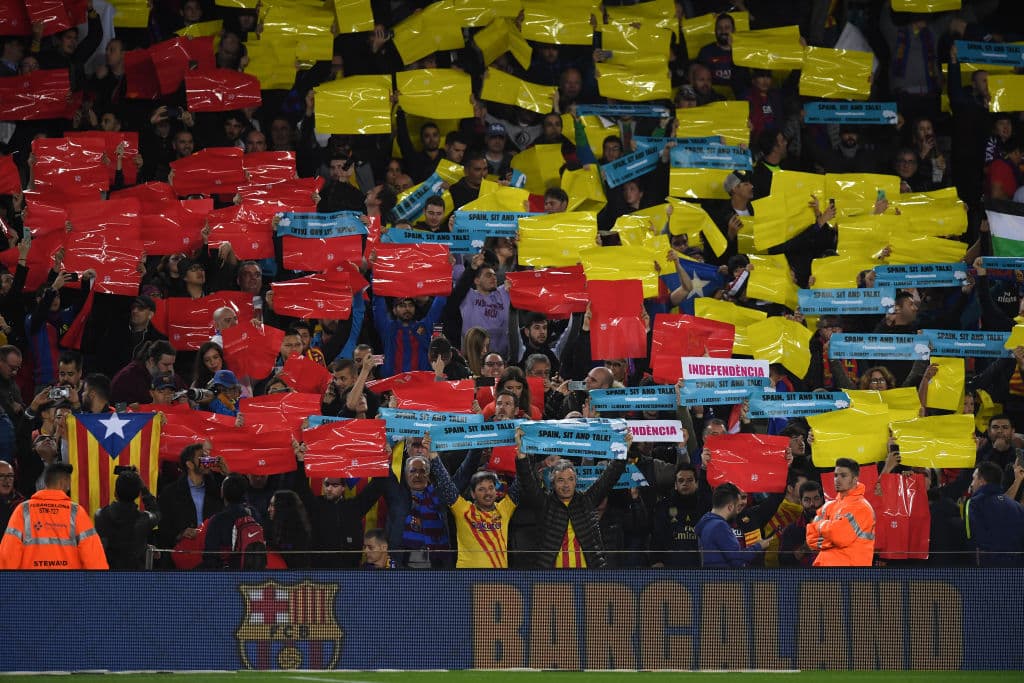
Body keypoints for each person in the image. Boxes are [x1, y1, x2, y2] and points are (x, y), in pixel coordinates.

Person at [513, 429, 630, 568]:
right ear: (553, 484)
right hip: (552, 578)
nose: (566, 485)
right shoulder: (545, 503)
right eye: (560, 480)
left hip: (589, 576)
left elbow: (609, 477)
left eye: (570, 479)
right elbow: (528, 482)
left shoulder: (587, 500)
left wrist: (623, 451)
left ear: (576, 481)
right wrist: (522, 456)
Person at [426, 434, 519, 568]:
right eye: (481, 489)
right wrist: (433, 455)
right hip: (467, 577)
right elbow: (446, 483)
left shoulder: (504, 509)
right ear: (473, 494)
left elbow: (521, 481)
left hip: (498, 578)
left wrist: (522, 455)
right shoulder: (463, 510)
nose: (487, 493)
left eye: (491, 488)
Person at [0, 462, 109, 570]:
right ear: (63, 482)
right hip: (68, 580)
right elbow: (94, 556)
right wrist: (100, 580)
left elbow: (8, 554)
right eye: (69, 481)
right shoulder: (76, 512)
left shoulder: (23, 510)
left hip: (32, 580)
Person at [806, 457, 876, 567]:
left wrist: (820, 526)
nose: (837, 479)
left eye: (843, 476)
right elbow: (810, 539)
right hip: (824, 570)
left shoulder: (862, 507)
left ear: (855, 480)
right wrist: (832, 534)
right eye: (835, 475)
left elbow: (839, 537)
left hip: (850, 573)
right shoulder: (828, 506)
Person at [93, 467, 160, 570]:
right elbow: (156, 511)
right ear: (137, 495)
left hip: (108, 575)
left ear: (115, 493)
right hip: (135, 576)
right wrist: (143, 487)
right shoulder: (144, 520)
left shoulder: (100, 516)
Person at [695, 483, 771, 568]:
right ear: (730, 507)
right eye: (737, 506)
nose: (738, 510)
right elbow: (737, 558)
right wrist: (759, 546)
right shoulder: (720, 526)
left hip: (712, 575)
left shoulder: (706, 522)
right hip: (723, 576)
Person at [965, 461, 1024, 567]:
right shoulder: (1017, 507)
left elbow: (973, 537)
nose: (972, 484)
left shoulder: (975, 503)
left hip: (988, 570)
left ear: (982, 481)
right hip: (1017, 570)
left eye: (974, 479)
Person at [202, 473, 267, 569]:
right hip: (254, 573)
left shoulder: (218, 520)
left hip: (227, 574)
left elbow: (210, 556)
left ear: (222, 492)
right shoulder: (255, 515)